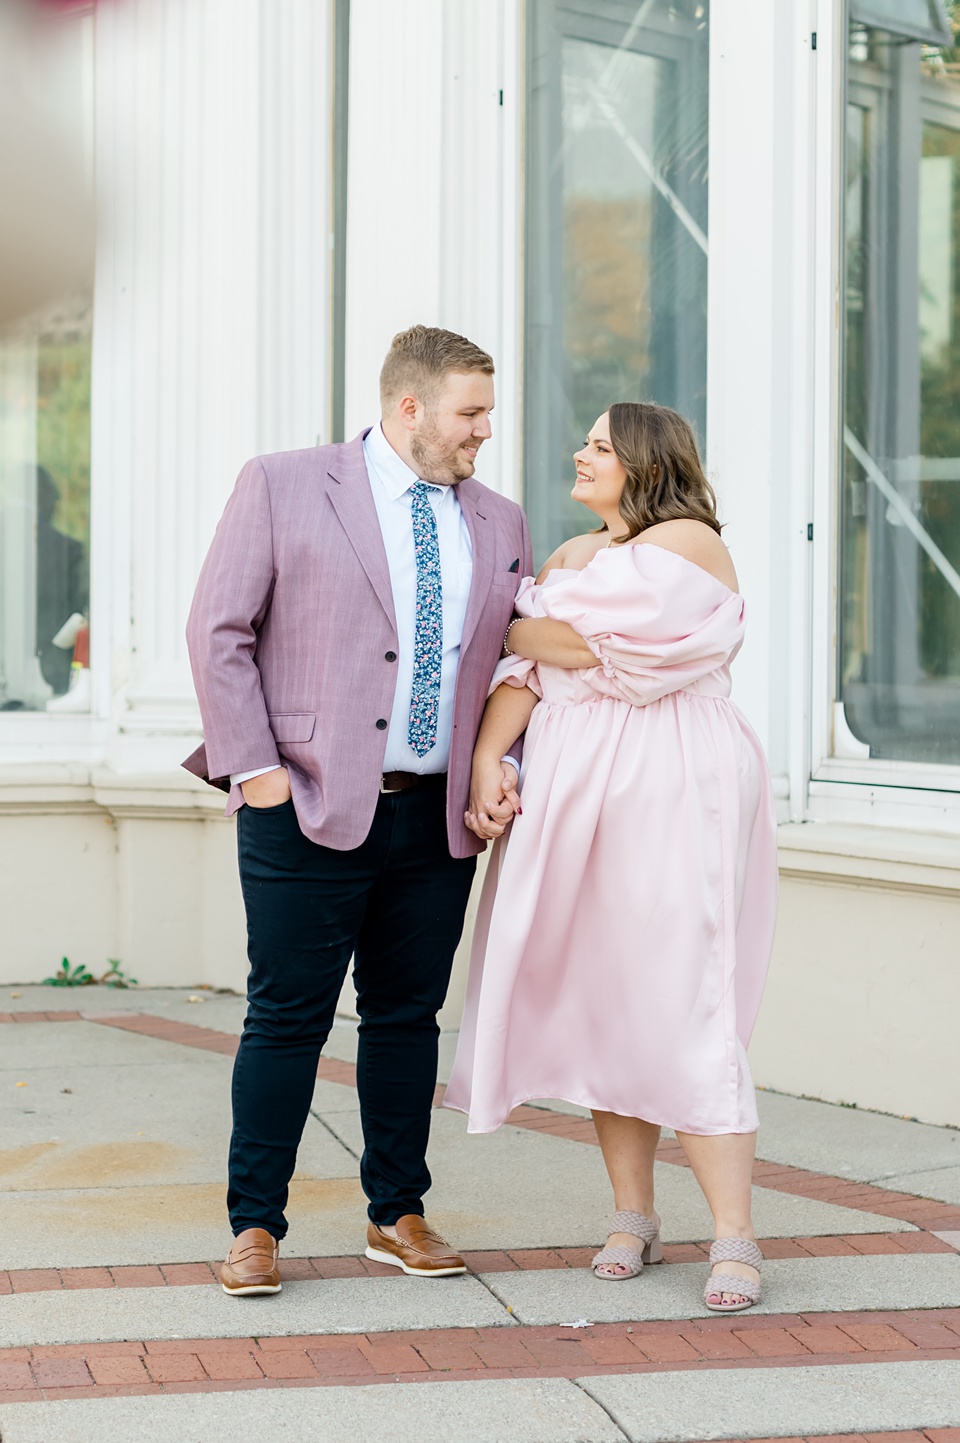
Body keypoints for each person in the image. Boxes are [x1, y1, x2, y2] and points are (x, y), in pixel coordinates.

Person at [184, 325, 532, 1295]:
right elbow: (219, 631)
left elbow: (510, 659)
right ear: (410, 406)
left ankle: (398, 1213)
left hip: (435, 820)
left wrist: (500, 766)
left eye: (487, 414)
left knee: (407, 1019)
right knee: (287, 1017)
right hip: (304, 804)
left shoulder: (499, 520)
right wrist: (255, 774)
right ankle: (255, 1226)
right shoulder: (285, 483)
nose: (484, 433)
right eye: (471, 413)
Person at [444, 402, 778, 1313]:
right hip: (575, 783)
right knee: (607, 997)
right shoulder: (568, 555)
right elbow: (524, 673)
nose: (580, 454)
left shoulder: (689, 541)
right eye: (583, 438)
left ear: (642, 458)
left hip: (673, 777)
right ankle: (633, 1213)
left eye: (598, 444)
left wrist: (519, 632)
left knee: (682, 992)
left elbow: (601, 650)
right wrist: (487, 757)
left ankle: (735, 1231)